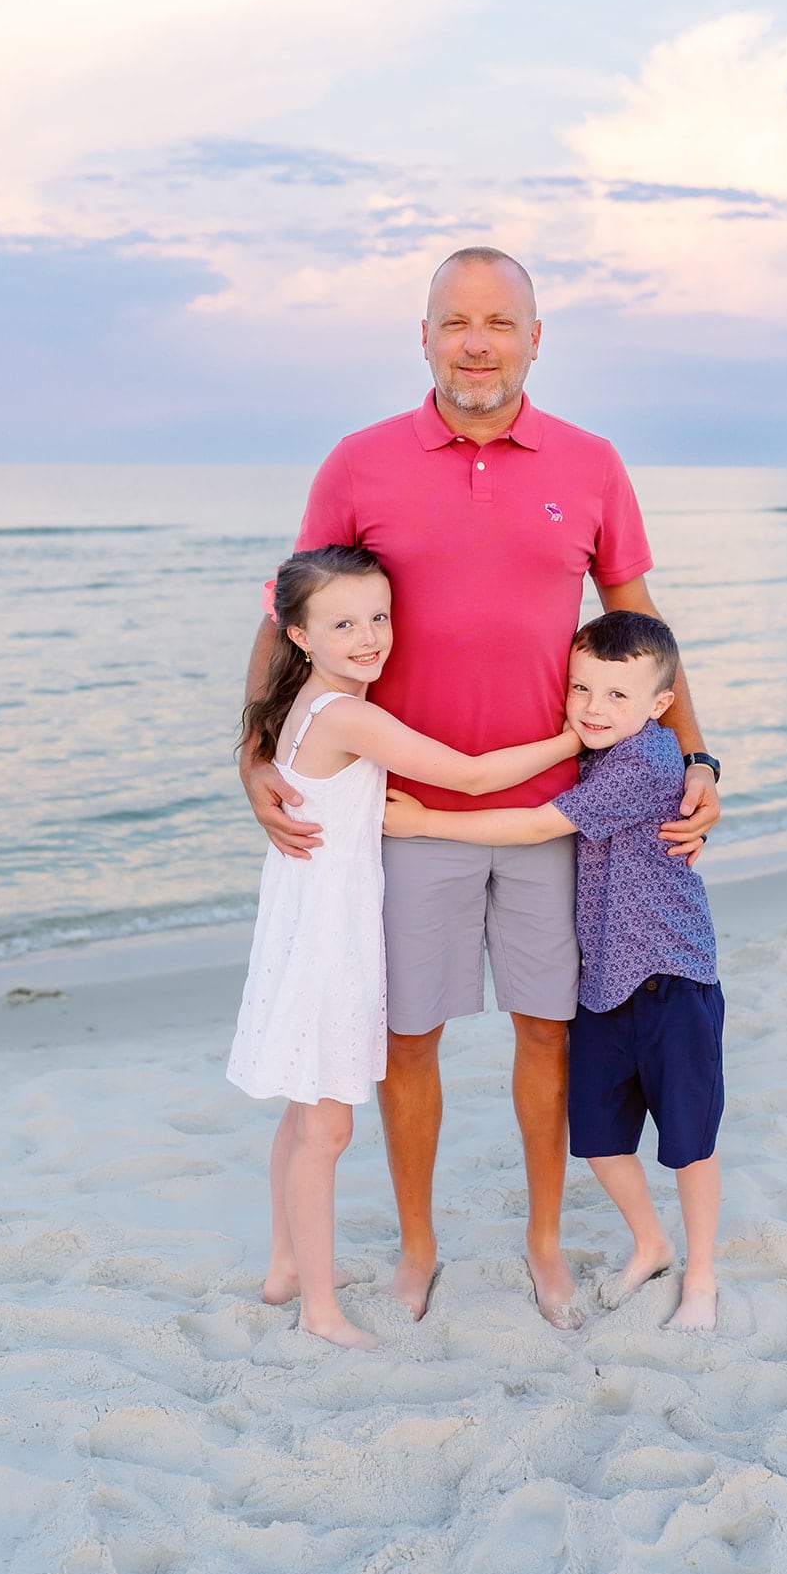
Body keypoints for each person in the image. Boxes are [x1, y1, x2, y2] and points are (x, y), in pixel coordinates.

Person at [239, 246, 721, 1328]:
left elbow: (644, 630)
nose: (476, 343)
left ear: (535, 339)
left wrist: (695, 759)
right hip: (403, 818)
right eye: (454, 322)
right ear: (422, 336)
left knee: (547, 1031)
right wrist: (253, 759)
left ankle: (544, 1245)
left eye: (499, 323)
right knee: (408, 1040)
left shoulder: (590, 462)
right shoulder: (358, 463)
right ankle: (416, 1250)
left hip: (556, 816)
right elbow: (289, 615)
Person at [227, 545, 581, 1350]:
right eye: (343, 622)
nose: (369, 637)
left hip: (302, 919)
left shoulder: (303, 704)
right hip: (327, 933)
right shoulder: (348, 714)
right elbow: (470, 776)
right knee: (327, 1132)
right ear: (296, 634)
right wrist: (569, 742)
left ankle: (286, 1267)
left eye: (379, 616)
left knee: (299, 1110)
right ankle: (319, 1309)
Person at [384, 611, 724, 1331]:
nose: (594, 709)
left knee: (688, 1142)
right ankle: (650, 1242)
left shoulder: (644, 763)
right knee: (597, 1137)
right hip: (604, 982)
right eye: (581, 689)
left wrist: (425, 823)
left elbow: (539, 826)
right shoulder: (597, 752)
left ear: (661, 705)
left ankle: (700, 1279)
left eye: (617, 696)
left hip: (670, 977)